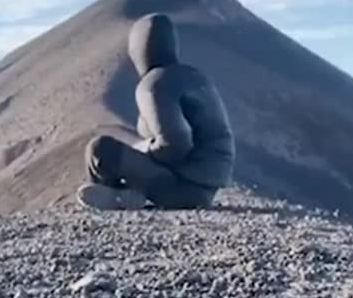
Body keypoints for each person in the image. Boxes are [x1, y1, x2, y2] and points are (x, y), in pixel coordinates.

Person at [77, 13, 235, 210]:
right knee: (129, 148)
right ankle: (124, 195)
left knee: (100, 148)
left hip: (179, 189)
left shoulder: (154, 84)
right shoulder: (196, 77)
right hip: (204, 190)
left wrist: (140, 151)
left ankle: (113, 197)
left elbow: (176, 144)